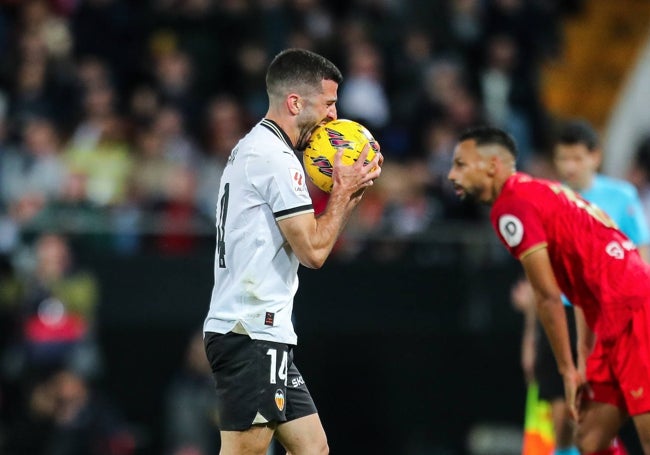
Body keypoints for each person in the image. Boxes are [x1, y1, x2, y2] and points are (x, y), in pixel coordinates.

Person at [202, 48, 382, 455]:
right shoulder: (276, 159)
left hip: (261, 329)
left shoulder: (259, 148)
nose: (336, 116)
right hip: (250, 329)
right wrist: (343, 193)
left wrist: (348, 194)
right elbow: (314, 251)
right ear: (295, 102)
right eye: (330, 103)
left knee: (313, 448)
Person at [448, 125, 650, 454]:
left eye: (460, 164)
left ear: (492, 165)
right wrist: (583, 356)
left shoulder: (511, 207)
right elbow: (582, 283)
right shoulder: (541, 191)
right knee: (589, 440)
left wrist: (567, 370)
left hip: (632, 313)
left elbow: (547, 294)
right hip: (611, 317)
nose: (451, 175)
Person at [513, 119, 650, 455]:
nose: (570, 166)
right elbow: (540, 278)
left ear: (595, 157)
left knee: (639, 417)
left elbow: (642, 253)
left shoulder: (620, 197)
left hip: (617, 316)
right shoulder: (547, 202)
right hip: (565, 315)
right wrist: (531, 337)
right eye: (563, 158)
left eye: (577, 158)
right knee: (567, 419)